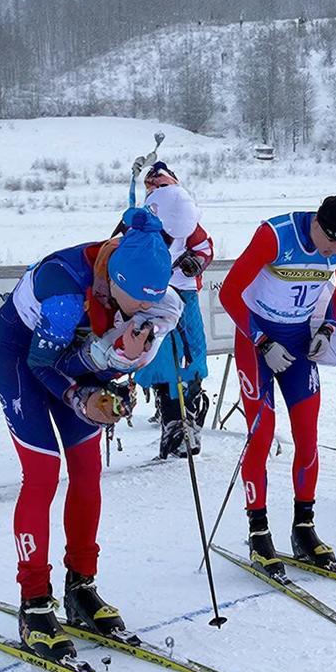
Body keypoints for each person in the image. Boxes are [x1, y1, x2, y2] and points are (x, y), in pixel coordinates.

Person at [0, 207, 178, 662]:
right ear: (117, 281)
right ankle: (34, 601)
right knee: (42, 475)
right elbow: (42, 364)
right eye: (138, 303)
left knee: (88, 472)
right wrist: (80, 398)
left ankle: (81, 587)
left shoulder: (141, 289)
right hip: (22, 356)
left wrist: (114, 384)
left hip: (70, 356)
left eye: (151, 304)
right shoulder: (64, 289)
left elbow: (101, 356)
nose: (144, 312)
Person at [219, 196, 336, 577]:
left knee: (308, 436)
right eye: (329, 244)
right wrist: (263, 341)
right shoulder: (274, 235)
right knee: (262, 434)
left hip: (298, 340)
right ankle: (259, 532)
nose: (332, 253)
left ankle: (304, 527)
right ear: (316, 224)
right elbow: (229, 293)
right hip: (255, 341)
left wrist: (327, 328)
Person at [131, 161, 215, 458]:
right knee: (161, 354)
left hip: (184, 292)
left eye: (162, 186)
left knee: (192, 351)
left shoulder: (186, 219)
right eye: (153, 187)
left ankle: (188, 415)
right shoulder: (142, 222)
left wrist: (196, 262)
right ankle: (172, 421)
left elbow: (204, 247)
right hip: (153, 295)